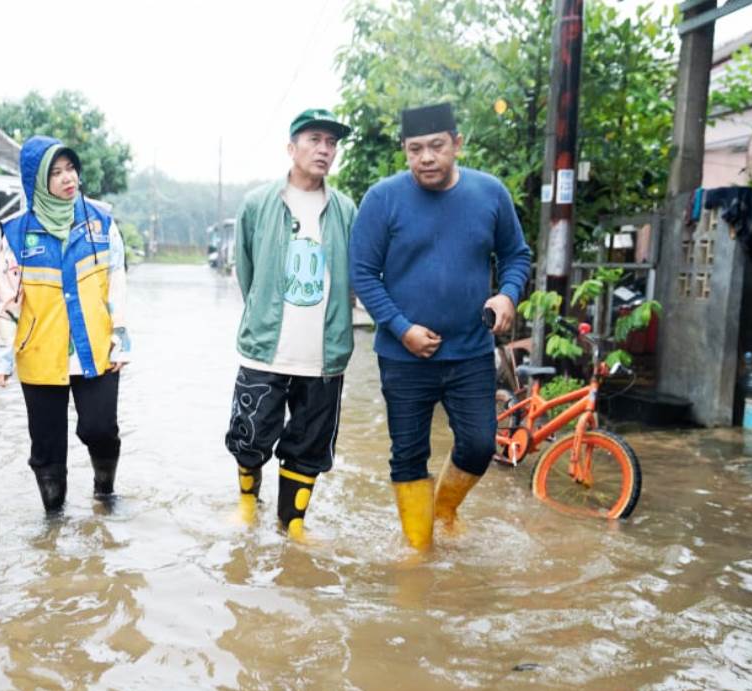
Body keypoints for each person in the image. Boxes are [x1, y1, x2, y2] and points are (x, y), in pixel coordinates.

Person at [350, 102, 531, 552]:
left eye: (436, 146)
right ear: (405, 151)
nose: (426, 157)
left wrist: (507, 293)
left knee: (477, 443)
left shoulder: (489, 194)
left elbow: (516, 255)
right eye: (415, 149)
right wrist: (399, 327)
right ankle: (418, 549)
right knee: (408, 453)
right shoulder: (382, 199)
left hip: (470, 349)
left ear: (456, 144)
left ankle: (445, 509)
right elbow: (362, 273)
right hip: (403, 354)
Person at [224, 109, 357, 539]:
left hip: (324, 355)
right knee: (249, 434)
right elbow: (245, 267)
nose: (324, 149)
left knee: (310, 444)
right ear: (291, 148)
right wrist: (263, 313)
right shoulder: (259, 204)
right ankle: (247, 503)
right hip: (267, 348)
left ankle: (292, 525)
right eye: (315, 139)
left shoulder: (345, 210)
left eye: (331, 143)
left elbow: (354, 275)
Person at [0, 136, 130, 514]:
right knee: (47, 447)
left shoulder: (101, 222)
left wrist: (121, 338)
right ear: (36, 181)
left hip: (95, 348)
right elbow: (6, 296)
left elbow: (117, 282)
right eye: (56, 172)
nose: (69, 178)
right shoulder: (16, 233)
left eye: (71, 169)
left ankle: (104, 490)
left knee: (101, 429)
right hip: (40, 351)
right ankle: (53, 521)